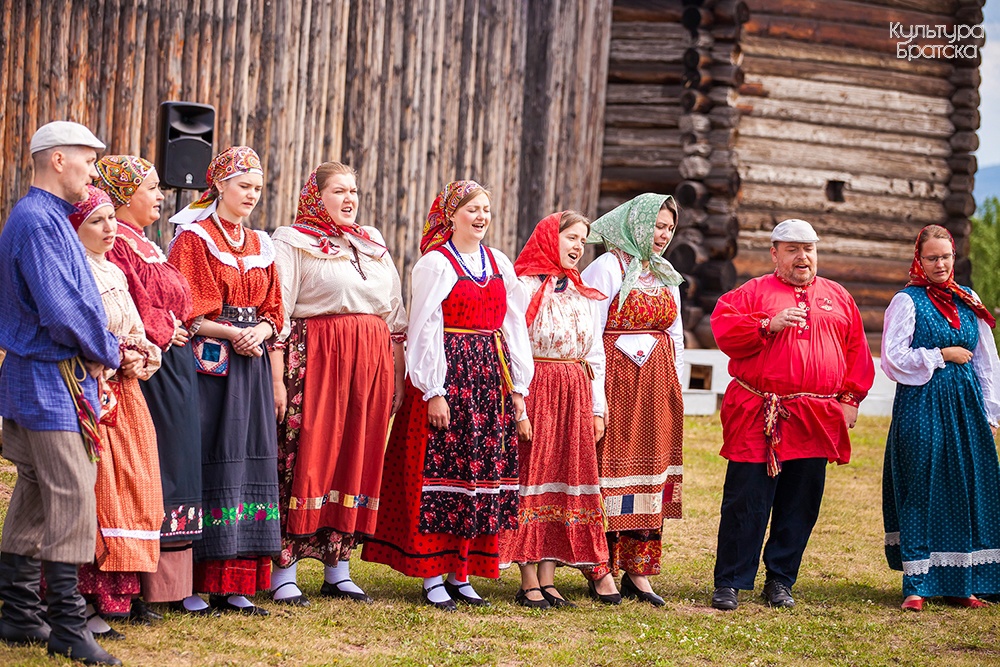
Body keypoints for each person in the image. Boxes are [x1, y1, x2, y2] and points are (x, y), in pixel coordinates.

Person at [362, 180, 533, 610]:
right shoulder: (435, 264)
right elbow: (422, 329)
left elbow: (513, 329)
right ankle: (432, 573)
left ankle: (462, 569)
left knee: (477, 476)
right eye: (472, 209)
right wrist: (433, 390)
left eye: (486, 210)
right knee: (436, 473)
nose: (480, 217)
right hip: (447, 375)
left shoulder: (499, 263)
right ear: (451, 215)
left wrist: (517, 388)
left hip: (488, 379)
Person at [0, 122, 122, 665]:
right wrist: (107, 351)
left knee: (33, 486)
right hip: (49, 375)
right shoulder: (38, 221)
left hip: (40, 373)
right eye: (86, 161)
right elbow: (60, 307)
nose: (92, 172)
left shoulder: (44, 218)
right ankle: (69, 626)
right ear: (56, 161)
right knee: (73, 487)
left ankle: (18, 611)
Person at [709, 218, 875, 611]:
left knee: (800, 503)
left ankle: (781, 580)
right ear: (775, 253)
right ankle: (729, 581)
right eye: (793, 249)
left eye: (809, 249)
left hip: (814, 417)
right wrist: (767, 324)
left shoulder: (838, 296)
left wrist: (850, 399)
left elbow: (857, 351)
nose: (803, 257)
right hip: (759, 411)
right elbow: (724, 330)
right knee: (746, 499)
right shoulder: (752, 292)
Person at [268, 163, 407, 605]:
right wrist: (277, 374)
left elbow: (393, 311)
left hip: (371, 360)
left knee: (358, 454)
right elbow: (279, 308)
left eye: (354, 191)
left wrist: (397, 368)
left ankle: (338, 566)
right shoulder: (291, 240)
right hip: (318, 356)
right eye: (338, 191)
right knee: (307, 454)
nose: (349, 199)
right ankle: (284, 570)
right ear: (316, 196)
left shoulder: (373, 243)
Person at [167, 146, 283, 616]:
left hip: (250, 363)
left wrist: (262, 329)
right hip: (210, 365)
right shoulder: (194, 238)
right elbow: (188, 307)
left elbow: (275, 307)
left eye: (257, 188)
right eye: (243, 186)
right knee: (208, 455)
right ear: (219, 185)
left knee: (249, 459)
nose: (252, 195)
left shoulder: (261, 242)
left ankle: (235, 582)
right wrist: (235, 333)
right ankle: (192, 580)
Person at [93, 155, 207, 616]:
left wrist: (177, 321)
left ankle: (169, 584)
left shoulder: (148, 243)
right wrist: (164, 325)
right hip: (147, 367)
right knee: (150, 470)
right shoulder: (117, 243)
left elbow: (172, 298)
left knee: (174, 466)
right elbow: (130, 306)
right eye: (152, 186)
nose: (161, 195)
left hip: (171, 362)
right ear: (124, 195)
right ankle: (138, 584)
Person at [881, 224, 1000, 612]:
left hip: (966, 406)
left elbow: (986, 361)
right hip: (922, 402)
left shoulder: (968, 299)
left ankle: (962, 583)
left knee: (966, 489)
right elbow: (893, 358)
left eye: (946, 256)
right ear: (919, 258)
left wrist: (992, 412)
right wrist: (940, 355)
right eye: (932, 257)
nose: (940, 264)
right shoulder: (908, 301)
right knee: (921, 485)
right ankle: (917, 584)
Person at [499, 211, 609, 609]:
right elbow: (512, 345)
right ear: (550, 238)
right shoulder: (524, 286)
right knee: (534, 475)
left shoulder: (583, 293)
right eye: (571, 237)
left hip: (575, 389)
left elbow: (594, 353)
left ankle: (548, 575)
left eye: (583, 240)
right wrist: (520, 402)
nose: (578, 246)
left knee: (565, 477)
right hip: (539, 386)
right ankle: (527, 576)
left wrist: (598, 407)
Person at [579, 193, 685, 607]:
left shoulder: (665, 273)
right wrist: (595, 401)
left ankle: (638, 570)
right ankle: (600, 567)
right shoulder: (607, 267)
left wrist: (676, 385)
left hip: (657, 385)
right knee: (609, 474)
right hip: (616, 384)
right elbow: (591, 332)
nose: (663, 235)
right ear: (636, 222)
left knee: (650, 475)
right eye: (657, 225)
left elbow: (674, 334)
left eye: (669, 228)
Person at [70, 185, 164, 639]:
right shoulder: (75, 271)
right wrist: (117, 355)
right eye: (96, 221)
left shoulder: (114, 271)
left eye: (111, 219)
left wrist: (144, 355)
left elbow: (138, 331)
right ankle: (84, 599)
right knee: (99, 490)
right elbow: (83, 333)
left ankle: (119, 593)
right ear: (75, 227)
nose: (109, 229)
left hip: (127, 395)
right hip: (93, 392)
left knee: (133, 489)